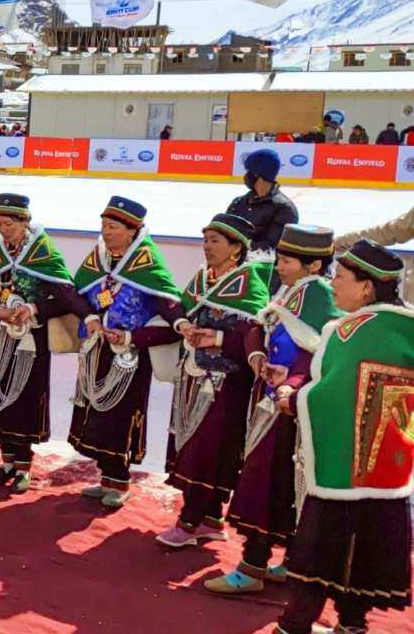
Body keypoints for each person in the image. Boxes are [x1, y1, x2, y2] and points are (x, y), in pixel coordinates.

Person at [272, 239, 411, 634]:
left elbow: (333, 392)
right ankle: (352, 624)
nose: (333, 285)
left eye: (341, 278)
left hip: (343, 468)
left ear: (367, 287)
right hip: (390, 467)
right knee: (367, 552)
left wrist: (293, 399)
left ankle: (293, 626)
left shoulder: (349, 331)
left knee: (319, 555)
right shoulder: (408, 326)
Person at [204, 224, 339, 595]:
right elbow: (259, 326)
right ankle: (292, 564)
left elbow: (320, 358)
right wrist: (258, 353)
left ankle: (252, 568)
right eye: (279, 258)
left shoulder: (318, 296)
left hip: (289, 411)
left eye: (288, 260)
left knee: (267, 485)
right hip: (271, 403)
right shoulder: (292, 290)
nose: (278, 265)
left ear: (313, 266)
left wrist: (289, 382)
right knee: (278, 485)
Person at [157, 214, 273, 548]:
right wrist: (184, 326)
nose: (207, 247)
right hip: (196, 377)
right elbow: (183, 308)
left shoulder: (249, 284)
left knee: (207, 450)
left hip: (225, 385)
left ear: (237, 249)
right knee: (197, 443)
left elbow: (254, 334)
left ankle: (188, 522)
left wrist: (219, 339)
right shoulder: (203, 279)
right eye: (205, 240)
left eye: (215, 241)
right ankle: (209, 518)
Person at [68, 197, 184, 506]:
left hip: (128, 354)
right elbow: (75, 292)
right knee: (95, 411)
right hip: (99, 348)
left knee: (120, 416)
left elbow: (166, 301)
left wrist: (181, 323)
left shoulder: (147, 261)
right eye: (104, 225)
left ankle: (120, 481)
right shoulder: (101, 257)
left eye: (113, 226)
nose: (105, 232)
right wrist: (90, 318)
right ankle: (105, 477)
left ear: (132, 231)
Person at [0, 194, 79, 492]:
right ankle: (6, 461)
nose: (3, 229)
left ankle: (24, 466)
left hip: (28, 338)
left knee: (22, 400)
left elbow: (65, 295)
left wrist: (33, 308)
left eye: (8, 224)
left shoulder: (43, 250)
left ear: (25, 222)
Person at [226, 149, 298, 254]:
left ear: (257, 175)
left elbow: (270, 247)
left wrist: (238, 247)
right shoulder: (238, 202)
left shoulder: (284, 209)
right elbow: (224, 233)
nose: (246, 175)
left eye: (248, 171)